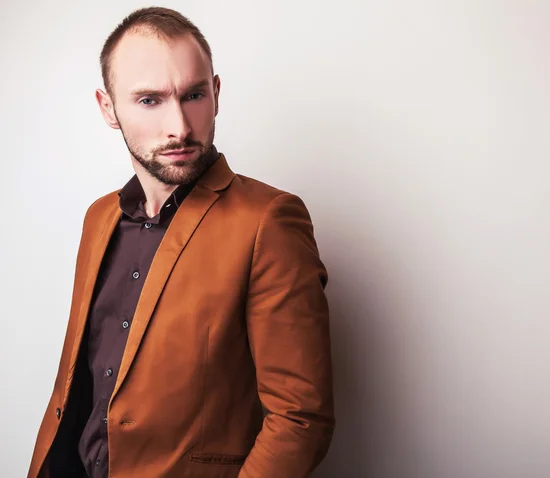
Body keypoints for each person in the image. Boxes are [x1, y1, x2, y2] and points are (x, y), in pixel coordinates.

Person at [26, 6, 334, 478]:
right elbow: (81, 386)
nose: (180, 127)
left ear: (215, 92)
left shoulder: (267, 221)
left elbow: (299, 417)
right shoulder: (99, 217)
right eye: (149, 100)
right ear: (108, 108)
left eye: (192, 95)